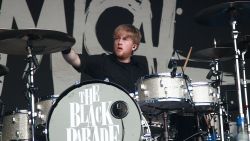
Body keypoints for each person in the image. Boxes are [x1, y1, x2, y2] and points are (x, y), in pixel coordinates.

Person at [61, 24, 149, 93]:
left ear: (134, 46)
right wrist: (65, 46)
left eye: (125, 39)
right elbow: (75, 59)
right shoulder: (103, 62)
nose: (119, 42)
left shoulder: (141, 64)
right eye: (117, 38)